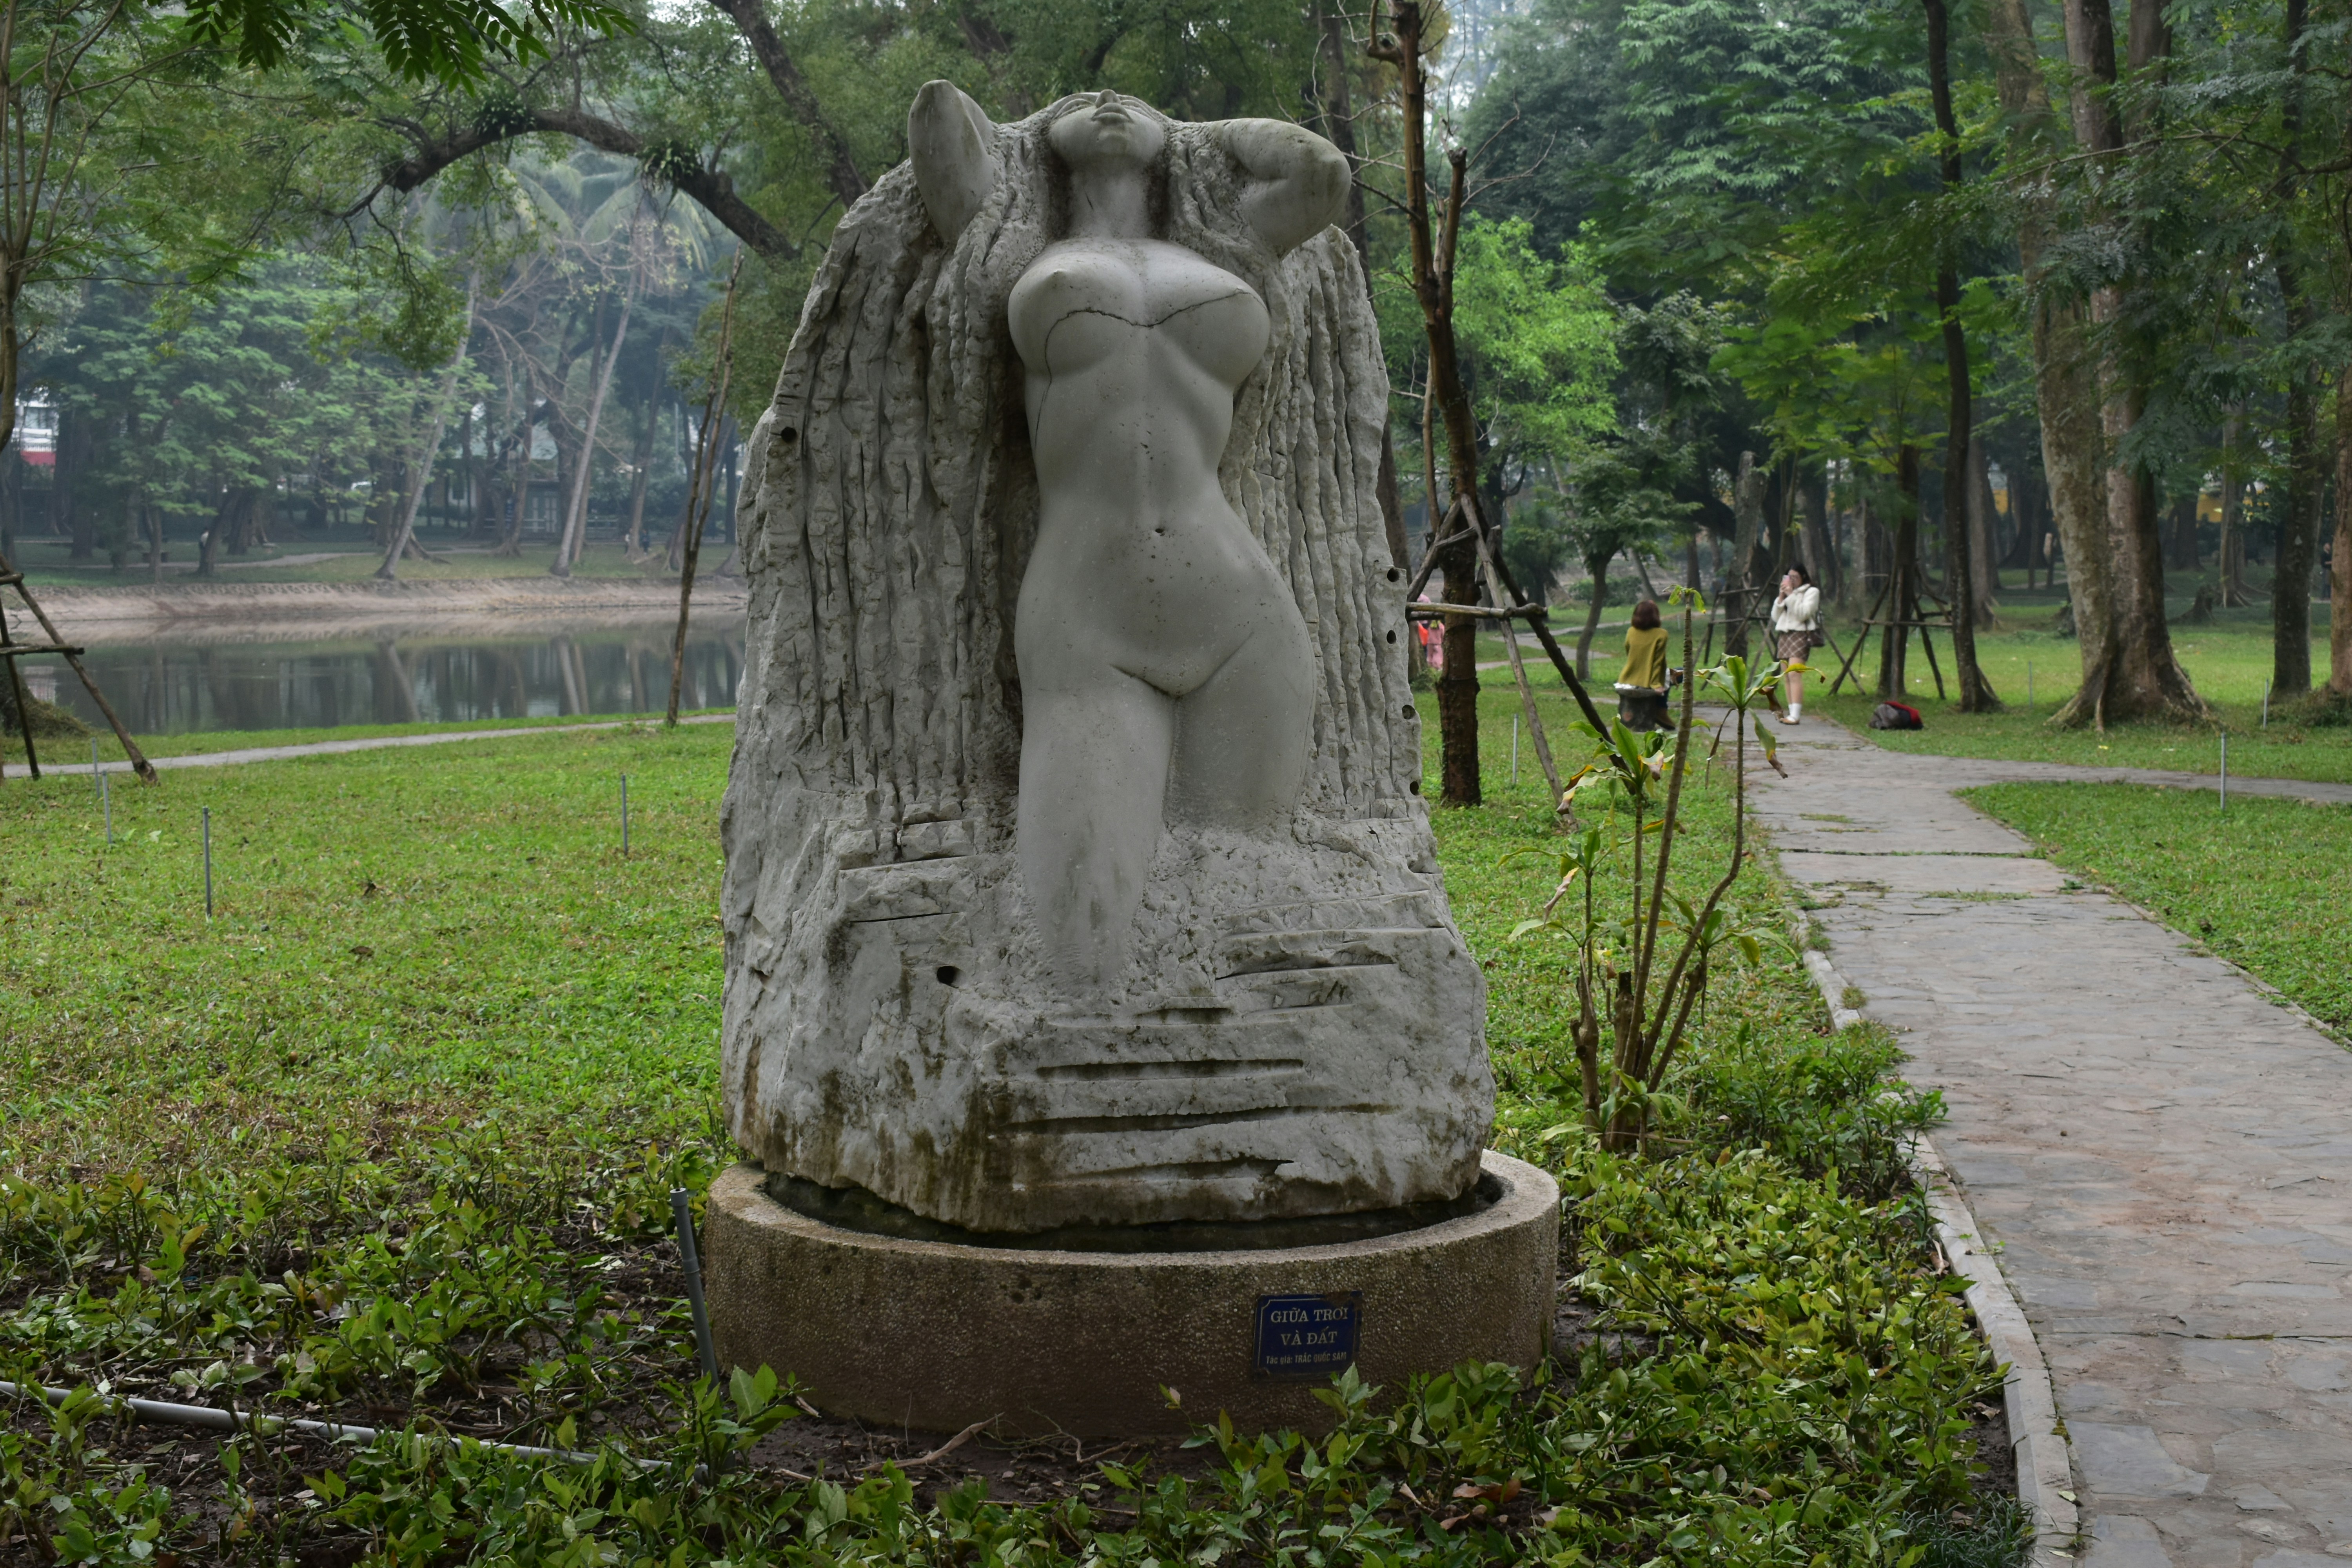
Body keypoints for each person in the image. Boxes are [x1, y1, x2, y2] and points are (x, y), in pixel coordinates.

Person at [916, 84, 1346, 990]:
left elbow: (1320, 173)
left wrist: (1200, 136)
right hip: (1091, 609)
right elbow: (938, 119)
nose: (1111, 101)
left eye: (1129, 104)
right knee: (1080, 946)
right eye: (1088, 101)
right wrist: (1027, 139)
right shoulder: (1018, 249)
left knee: (1238, 901)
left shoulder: (1226, 246)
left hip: (1239, 607)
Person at [1769, 564, 1822, 723]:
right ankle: (1792, 714)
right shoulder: (1787, 593)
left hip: (1800, 634)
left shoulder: (1811, 592)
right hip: (1785, 634)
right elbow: (1776, 617)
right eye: (1789, 577)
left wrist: (1791, 595)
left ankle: (1796, 715)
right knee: (1786, 675)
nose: (1792, 580)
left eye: (1795, 577)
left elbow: (1803, 614)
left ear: (1803, 577)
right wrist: (1781, 598)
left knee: (1794, 674)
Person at [1621, 598, 1668, 689]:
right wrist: (1656, 684)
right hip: (1650, 680)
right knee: (1683, 671)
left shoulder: (1631, 631)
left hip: (1628, 679)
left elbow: (1629, 652)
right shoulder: (1662, 634)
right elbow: (1658, 662)